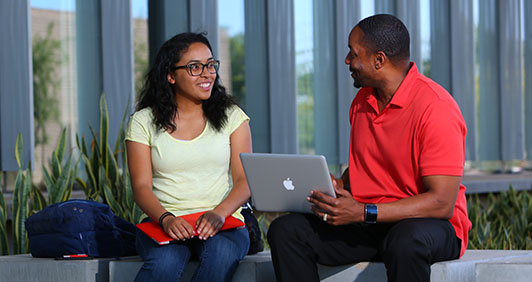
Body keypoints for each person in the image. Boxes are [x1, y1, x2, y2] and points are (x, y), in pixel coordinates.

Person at [267, 14, 471, 282]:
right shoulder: (362, 101)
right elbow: (372, 167)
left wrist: (364, 212)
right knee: (286, 231)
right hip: (370, 221)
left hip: (430, 225)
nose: (347, 61)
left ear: (379, 60)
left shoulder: (436, 108)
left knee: (405, 241)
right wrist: (337, 186)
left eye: (353, 53)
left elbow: (441, 203)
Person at [125, 32, 252, 282]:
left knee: (221, 255)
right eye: (195, 67)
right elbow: (140, 186)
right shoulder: (142, 122)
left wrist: (219, 213)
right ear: (170, 75)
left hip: (223, 222)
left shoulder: (233, 116)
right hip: (163, 222)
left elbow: (245, 180)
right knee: (165, 263)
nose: (207, 73)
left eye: (210, 64)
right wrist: (166, 219)